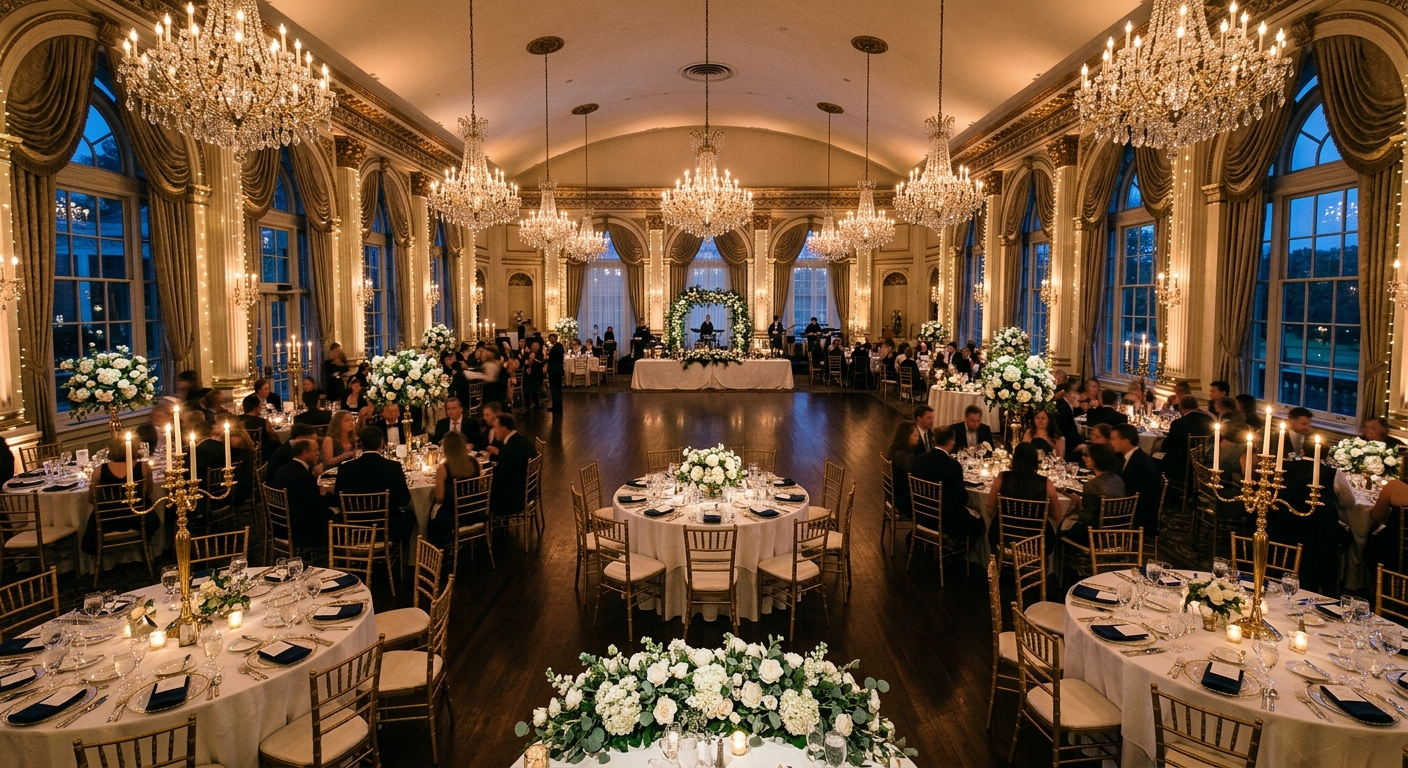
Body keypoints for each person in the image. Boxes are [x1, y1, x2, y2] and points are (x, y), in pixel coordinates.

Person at [1272, 455, 1354, 594]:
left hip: (1284, 527)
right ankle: (1332, 584)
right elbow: (1349, 503)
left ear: (1302, 451)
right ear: (1326, 456)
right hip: (1318, 533)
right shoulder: (1333, 473)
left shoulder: (1283, 467)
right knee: (1347, 536)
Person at [334, 427, 415, 545]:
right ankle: (397, 553)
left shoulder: (345, 468)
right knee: (412, 516)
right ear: (382, 443)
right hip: (386, 529)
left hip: (354, 529)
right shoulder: (393, 467)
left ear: (361, 444)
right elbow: (403, 500)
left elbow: (337, 500)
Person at [82, 439, 158, 556]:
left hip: (108, 520)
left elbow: (92, 499)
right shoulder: (144, 467)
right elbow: (148, 492)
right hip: (138, 517)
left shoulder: (99, 470)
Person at [910, 426, 984, 540]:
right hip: (944, 518)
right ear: (951, 442)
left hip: (921, 512)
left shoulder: (919, 459)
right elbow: (962, 498)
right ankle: (956, 548)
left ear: (934, 440)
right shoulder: (953, 466)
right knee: (979, 522)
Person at [985, 442, 1064, 547]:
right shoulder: (1046, 483)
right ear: (1035, 461)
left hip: (1003, 537)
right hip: (1036, 541)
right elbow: (1057, 515)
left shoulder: (1002, 478)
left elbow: (989, 510)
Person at [1058, 443, 1127, 547]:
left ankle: (1061, 556)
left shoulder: (1092, 485)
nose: (1084, 458)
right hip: (1117, 532)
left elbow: (1086, 519)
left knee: (1059, 526)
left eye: (1088, 455)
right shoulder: (1118, 480)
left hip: (1094, 535)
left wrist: (1077, 503)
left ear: (1096, 459)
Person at [270, 437, 334, 547]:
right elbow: (318, 506)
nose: (318, 453)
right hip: (301, 530)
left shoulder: (283, 470)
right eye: (315, 450)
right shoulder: (304, 476)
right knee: (340, 519)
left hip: (280, 526)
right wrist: (330, 497)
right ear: (305, 453)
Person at [426, 431, 482, 549]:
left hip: (455, 515)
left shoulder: (443, 468)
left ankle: (438, 550)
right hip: (475, 510)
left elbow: (440, 498)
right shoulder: (474, 463)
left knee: (430, 515)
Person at [1111, 423, 1162, 534]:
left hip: (1138, 518)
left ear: (1125, 442)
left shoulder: (1140, 464)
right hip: (1132, 508)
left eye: (1113, 439)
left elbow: (1135, 496)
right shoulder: (1129, 456)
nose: (1111, 443)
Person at [486, 414, 538, 521]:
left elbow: (504, 475)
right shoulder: (519, 438)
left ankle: (492, 527)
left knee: (482, 497)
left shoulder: (512, 447)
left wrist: (485, 475)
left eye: (496, 428)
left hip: (516, 498)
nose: (494, 431)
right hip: (527, 490)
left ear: (504, 428)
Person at [1159, 395, 1215, 482]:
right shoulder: (1209, 420)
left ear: (1181, 406)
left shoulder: (1178, 423)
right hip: (1204, 462)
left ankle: (1164, 486)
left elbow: (1166, 446)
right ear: (1196, 405)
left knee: (1155, 459)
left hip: (1181, 464)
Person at [886, 421, 919, 520]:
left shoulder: (897, 450)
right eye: (915, 435)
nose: (917, 438)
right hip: (901, 499)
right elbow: (910, 475)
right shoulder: (901, 455)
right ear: (906, 436)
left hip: (894, 493)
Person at [239, 394, 281, 459]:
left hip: (240, 454)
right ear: (256, 408)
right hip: (261, 455)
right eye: (260, 406)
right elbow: (274, 438)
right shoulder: (264, 422)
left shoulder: (235, 420)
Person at [1054, 383, 1084, 460]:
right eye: (1074, 392)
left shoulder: (1064, 404)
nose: (1077, 396)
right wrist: (1079, 443)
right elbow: (1067, 428)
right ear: (1066, 394)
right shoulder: (1064, 407)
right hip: (1068, 443)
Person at [547, 332, 565, 414]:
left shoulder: (557, 347)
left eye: (551, 338)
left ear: (555, 338)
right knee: (555, 389)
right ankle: (556, 405)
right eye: (549, 339)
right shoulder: (557, 346)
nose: (550, 340)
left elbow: (554, 358)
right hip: (555, 370)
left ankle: (557, 406)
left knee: (555, 389)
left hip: (555, 371)